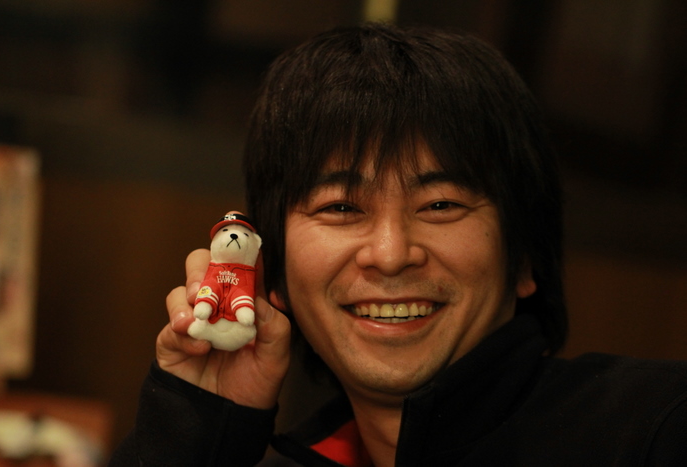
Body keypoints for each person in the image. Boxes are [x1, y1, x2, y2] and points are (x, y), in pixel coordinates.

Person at [110, 23, 687, 466]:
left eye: (441, 205)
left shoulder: (655, 430)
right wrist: (198, 425)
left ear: (524, 255)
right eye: (341, 208)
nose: (389, 254)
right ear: (274, 272)